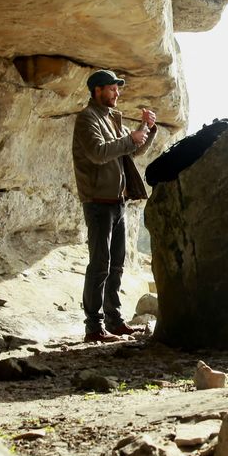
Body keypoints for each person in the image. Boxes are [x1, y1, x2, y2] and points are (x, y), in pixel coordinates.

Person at [72, 69, 157, 342]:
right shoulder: (87, 119)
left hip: (117, 202)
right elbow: (98, 153)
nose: (117, 93)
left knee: (116, 264)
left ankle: (114, 321)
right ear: (97, 90)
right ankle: (93, 328)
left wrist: (147, 130)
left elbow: (130, 150)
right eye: (112, 88)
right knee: (100, 264)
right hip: (97, 202)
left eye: (117, 89)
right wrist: (130, 139)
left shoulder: (111, 118)